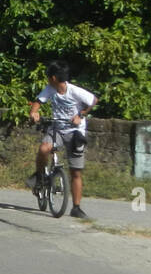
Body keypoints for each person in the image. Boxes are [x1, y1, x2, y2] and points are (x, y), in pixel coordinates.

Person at [27, 60, 98, 219]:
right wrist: (34, 113)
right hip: (57, 129)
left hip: (75, 132)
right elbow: (38, 103)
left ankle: (76, 207)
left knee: (76, 171)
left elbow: (93, 100)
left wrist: (80, 115)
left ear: (53, 77)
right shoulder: (50, 89)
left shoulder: (74, 91)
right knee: (44, 149)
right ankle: (39, 177)